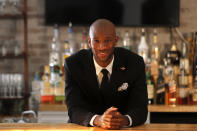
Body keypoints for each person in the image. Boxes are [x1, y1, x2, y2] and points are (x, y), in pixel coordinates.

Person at [64, 19, 148, 129]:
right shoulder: (73, 64)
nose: (102, 47)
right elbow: (74, 109)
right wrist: (98, 120)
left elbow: (140, 108)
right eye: (96, 41)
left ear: (115, 40)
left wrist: (124, 120)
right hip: (85, 128)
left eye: (107, 40)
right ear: (89, 42)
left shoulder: (135, 63)